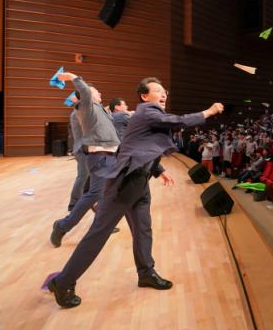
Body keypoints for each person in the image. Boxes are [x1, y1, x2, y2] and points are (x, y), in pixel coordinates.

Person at [46, 77, 223, 308]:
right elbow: (177, 121)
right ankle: (63, 282)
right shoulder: (147, 111)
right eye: (157, 90)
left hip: (140, 180)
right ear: (144, 96)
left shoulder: (148, 116)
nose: (163, 94)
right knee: (98, 234)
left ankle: (146, 273)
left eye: (164, 91)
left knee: (143, 230)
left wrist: (158, 171)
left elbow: (138, 145)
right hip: (124, 183)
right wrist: (209, 111)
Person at [50, 73, 120, 247]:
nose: (100, 93)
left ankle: (102, 224)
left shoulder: (99, 109)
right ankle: (62, 225)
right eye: (96, 91)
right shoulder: (85, 107)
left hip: (111, 157)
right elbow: (85, 92)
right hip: (101, 157)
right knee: (94, 193)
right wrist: (72, 77)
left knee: (105, 193)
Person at [67, 96, 89, 212]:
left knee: (88, 177)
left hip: (86, 149)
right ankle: (74, 204)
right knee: (83, 176)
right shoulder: (78, 113)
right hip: (82, 150)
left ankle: (86, 201)